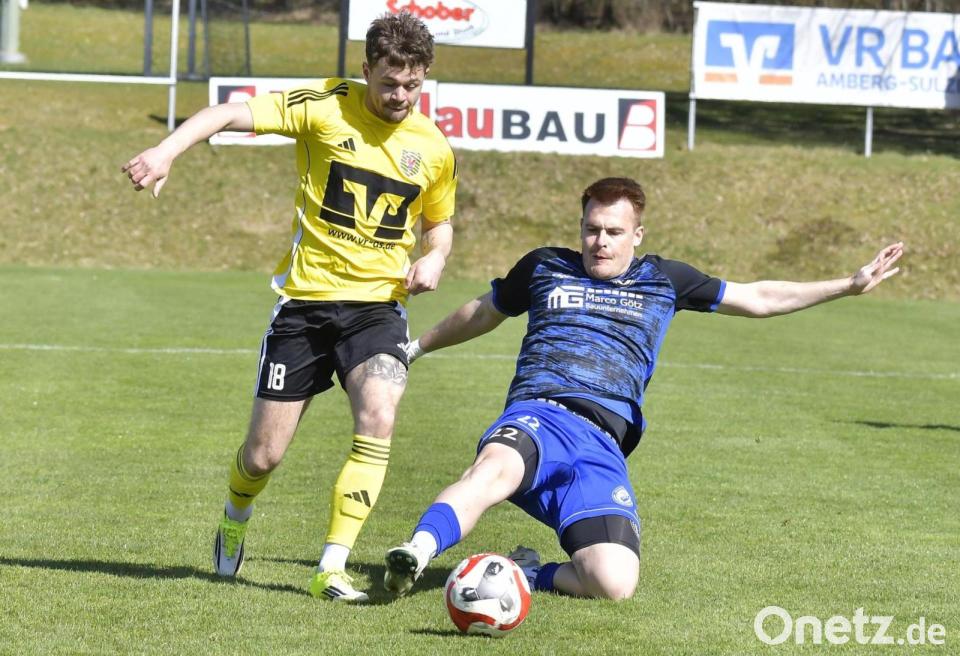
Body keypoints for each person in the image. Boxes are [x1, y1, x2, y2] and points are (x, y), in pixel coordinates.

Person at [382, 177, 903, 600]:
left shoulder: (664, 279)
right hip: (540, 413)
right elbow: (482, 312)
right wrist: (415, 348)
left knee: (613, 582)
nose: (600, 242)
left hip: (603, 443)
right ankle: (417, 551)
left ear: (637, 235)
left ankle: (523, 571)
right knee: (493, 470)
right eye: (591, 229)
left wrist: (848, 285)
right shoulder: (544, 267)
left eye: (613, 231)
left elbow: (758, 298)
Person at [122, 12, 457, 603]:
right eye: (388, 83)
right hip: (305, 305)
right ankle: (234, 517)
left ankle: (331, 566)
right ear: (366, 70)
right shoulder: (324, 106)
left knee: (379, 412)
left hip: (377, 307)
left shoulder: (433, 147)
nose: (400, 96)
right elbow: (227, 113)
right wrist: (167, 150)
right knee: (263, 456)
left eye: (412, 85)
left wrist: (435, 257)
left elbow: (439, 221)